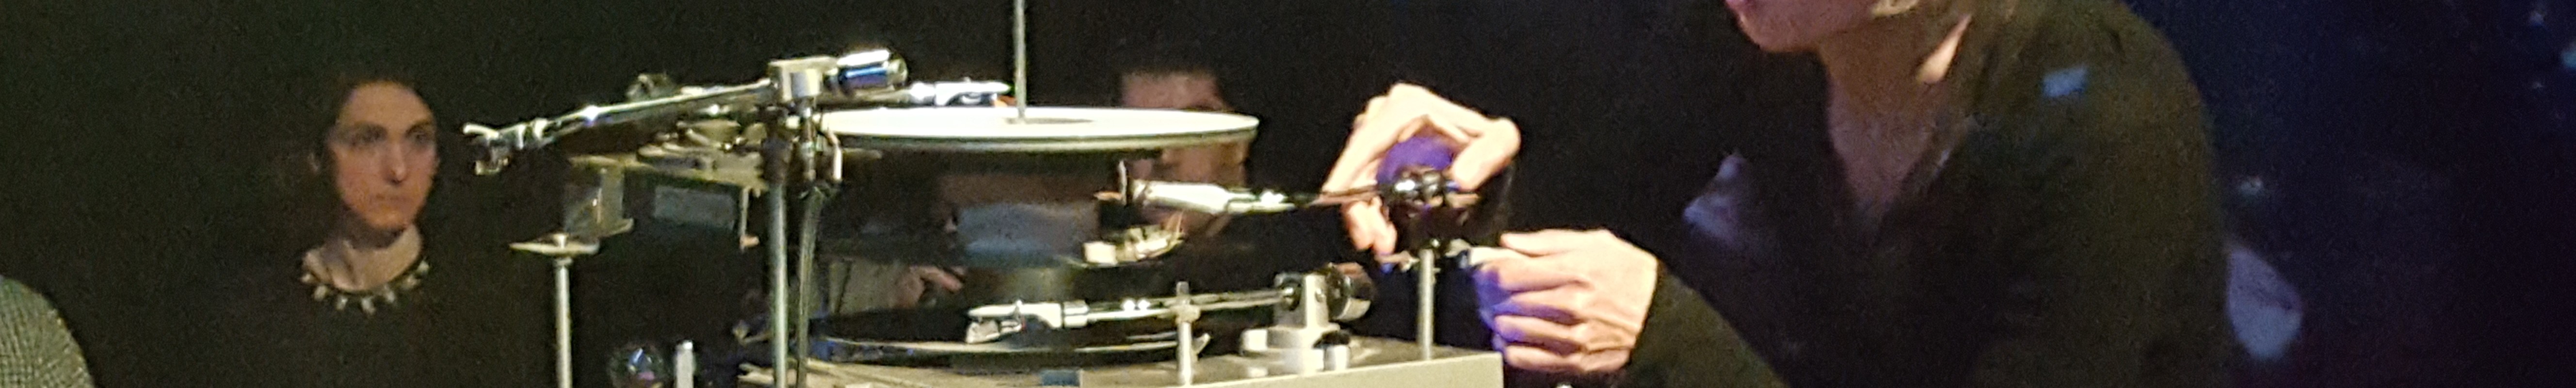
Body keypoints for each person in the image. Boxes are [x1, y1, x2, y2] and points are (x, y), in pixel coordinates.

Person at [1322, 0, 2230, 385]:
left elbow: (1652, 325)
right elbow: (1596, 230)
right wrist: (1462, 200)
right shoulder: (1751, 48)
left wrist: (1671, 347)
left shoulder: (2106, 118)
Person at [212, 67, 551, 387]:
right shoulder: (254, 314)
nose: (398, 170)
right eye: (367, 141)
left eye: (419, 140)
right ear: (317, 157)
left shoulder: (493, 304)